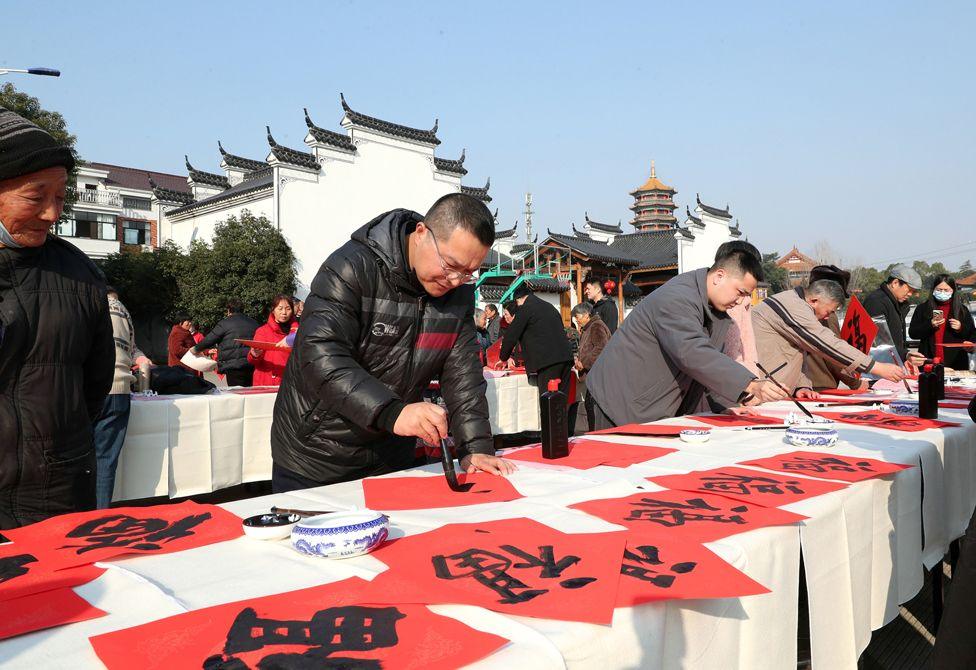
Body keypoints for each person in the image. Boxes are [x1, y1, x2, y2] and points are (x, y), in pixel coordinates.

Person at [271, 194, 514, 491]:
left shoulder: (457, 295)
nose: (454, 280)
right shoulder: (351, 268)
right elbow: (320, 354)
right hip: (317, 454)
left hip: (391, 454)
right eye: (450, 265)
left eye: (467, 273)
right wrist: (393, 412)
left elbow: (463, 374)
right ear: (422, 233)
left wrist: (474, 447)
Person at [0, 108, 114, 528]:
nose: (52, 213)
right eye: (35, 196)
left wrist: (55, 447)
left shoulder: (77, 273)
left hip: (56, 490)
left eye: (61, 197)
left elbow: (94, 384)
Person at [586, 247, 790, 428]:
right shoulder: (677, 297)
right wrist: (750, 383)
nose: (740, 301)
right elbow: (692, 352)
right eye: (740, 292)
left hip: (648, 406)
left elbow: (706, 370)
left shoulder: (716, 311)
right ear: (719, 275)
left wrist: (726, 404)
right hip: (616, 403)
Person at [752, 280, 907, 395]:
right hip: (762, 389)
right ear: (814, 300)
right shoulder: (793, 306)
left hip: (777, 390)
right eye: (828, 311)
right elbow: (826, 344)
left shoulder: (797, 304)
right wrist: (876, 367)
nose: (827, 318)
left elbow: (796, 353)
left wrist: (802, 385)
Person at [93, 287, 151, 508]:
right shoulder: (123, 310)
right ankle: (100, 515)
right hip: (120, 388)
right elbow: (134, 349)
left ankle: (78, 519)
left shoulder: (87, 303)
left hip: (91, 387)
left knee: (78, 459)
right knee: (105, 460)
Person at [498, 285, 574, 402]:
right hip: (566, 358)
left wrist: (503, 357)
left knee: (549, 404)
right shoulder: (549, 307)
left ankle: (549, 421)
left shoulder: (526, 308)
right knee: (562, 402)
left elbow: (511, 335)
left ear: (519, 299)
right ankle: (564, 421)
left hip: (548, 361)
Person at [803, 265, 866, 391]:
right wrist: (855, 383)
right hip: (820, 385)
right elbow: (833, 353)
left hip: (805, 383)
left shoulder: (800, 310)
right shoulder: (826, 315)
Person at [909, 274, 976, 370]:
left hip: (956, 362)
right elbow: (913, 333)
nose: (942, 292)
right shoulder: (922, 308)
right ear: (933, 290)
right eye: (939, 290)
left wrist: (960, 328)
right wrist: (930, 325)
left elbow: (972, 334)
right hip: (929, 361)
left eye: (946, 290)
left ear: (952, 291)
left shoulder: (961, 310)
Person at [862, 264, 924, 366]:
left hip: (891, 364)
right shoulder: (876, 302)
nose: (910, 294)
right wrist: (905, 355)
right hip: (878, 367)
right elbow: (878, 341)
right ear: (895, 283)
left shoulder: (897, 304)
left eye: (913, 292)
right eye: (909, 290)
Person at [191, 299, 259, 387]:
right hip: (251, 364)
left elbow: (209, 339)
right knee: (250, 394)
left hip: (233, 366)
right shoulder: (254, 323)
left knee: (236, 395)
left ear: (229, 310)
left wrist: (195, 349)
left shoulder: (225, 324)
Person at [572, 302, 612, 432]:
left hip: (598, 374)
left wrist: (584, 363)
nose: (576, 320)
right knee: (591, 406)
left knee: (593, 407)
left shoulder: (596, 326)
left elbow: (601, 348)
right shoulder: (589, 327)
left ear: (586, 315)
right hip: (593, 373)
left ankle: (595, 433)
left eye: (577, 316)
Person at [248, 295, 299, 387]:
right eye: (280, 309)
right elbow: (252, 361)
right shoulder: (262, 331)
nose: (284, 312)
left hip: (290, 382)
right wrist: (255, 355)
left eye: (288, 309)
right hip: (266, 383)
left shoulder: (298, 332)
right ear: (273, 310)